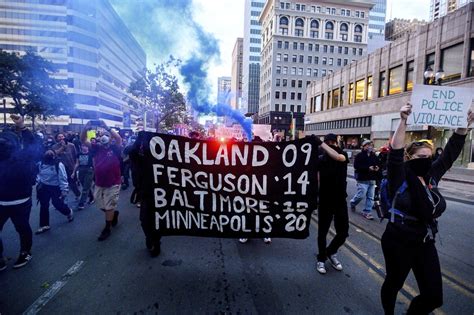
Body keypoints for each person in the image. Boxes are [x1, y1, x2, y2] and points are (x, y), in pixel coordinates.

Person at [380, 103, 474, 315]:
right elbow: (395, 153)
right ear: (409, 158)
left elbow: (451, 153)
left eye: (429, 157)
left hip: (424, 240)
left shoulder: (431, 175)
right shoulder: (399, 175)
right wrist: (403, 121)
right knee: (394, 283)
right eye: (420, 157)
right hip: (398, 240)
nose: (426, 161)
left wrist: (464, 126)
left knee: (433, 296)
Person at [0, 115, 40, 270]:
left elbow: (34, 145)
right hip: (1, 202)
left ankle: (25, 252)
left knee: (22, 227)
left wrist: (22, 127)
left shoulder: (23, 157)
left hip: (21, 201)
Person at [80, 120, 122, 241]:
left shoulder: (115, 148)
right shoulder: (96, 148)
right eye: (102, 134)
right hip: (99, 182)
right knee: (100, 204)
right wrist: (85, 128)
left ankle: (107, 228)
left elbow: (118, 138)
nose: (104, 136)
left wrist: (107, 128)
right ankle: (113, 214)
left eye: (107, 135)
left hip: (113, 182)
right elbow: (83, 140)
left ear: (110, 138)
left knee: (109, 206)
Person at [316, 133, 349, 274]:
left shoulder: (342, 155)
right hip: (325, 200)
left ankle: (330, 252)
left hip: (340, 200)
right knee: (322, 232)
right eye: (328, 143)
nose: (330, 145)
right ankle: (321, 259)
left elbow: (338, 157)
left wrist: (321, 143)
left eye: (332, 143)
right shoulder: (321, 159)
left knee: (343, 232)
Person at [36, 150, 74, 234]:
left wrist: (64, 190)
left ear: (54, 156)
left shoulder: (58, 164)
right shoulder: (40, 163)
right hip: (44, 187)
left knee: (57, 204)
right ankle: (44, 225)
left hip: (55, 187)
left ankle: (68, 212)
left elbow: (63, 178)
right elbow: (38, 174)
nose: (49, 154)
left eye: (51, 153)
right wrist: (39, 181)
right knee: (44, 205)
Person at [350, 139, 379, 220]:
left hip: (372, 179)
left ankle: (367, 212)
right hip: (362, 179)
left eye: (371, 145)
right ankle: (353, 203)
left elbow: (378, 164)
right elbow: (356, 166)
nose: (370, 147)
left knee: (370, 197)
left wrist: (377, 167)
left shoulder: (374, 156)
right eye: (367, 145)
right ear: (363, 146)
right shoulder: (359, 155)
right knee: (361, 195)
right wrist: (367, 168)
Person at [52, 132, 80, 198]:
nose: (61, 138)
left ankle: (77, 194)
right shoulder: (54, 146)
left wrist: (75, 166)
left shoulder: (71, 145)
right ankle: (61, 198)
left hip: (70, 167)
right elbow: (55, 154)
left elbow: (75, 156)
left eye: (62, 136)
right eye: (59, 137)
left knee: (72, 183)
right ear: (56, 138)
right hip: (60, 168)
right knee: (61, 183)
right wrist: (62, 147)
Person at [73, 143, 94, 210]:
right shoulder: (79, 154)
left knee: (85, 188)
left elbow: (94, 163)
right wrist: (74, 172)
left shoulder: (91, 154)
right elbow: (77, 163)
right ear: (81, 146)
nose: (84, 147)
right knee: (85, 186)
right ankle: (91, 197)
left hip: (89, 170)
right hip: (81, 170)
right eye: (83, 145)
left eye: (86, 146)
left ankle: (81, 203)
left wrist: (96, 172)